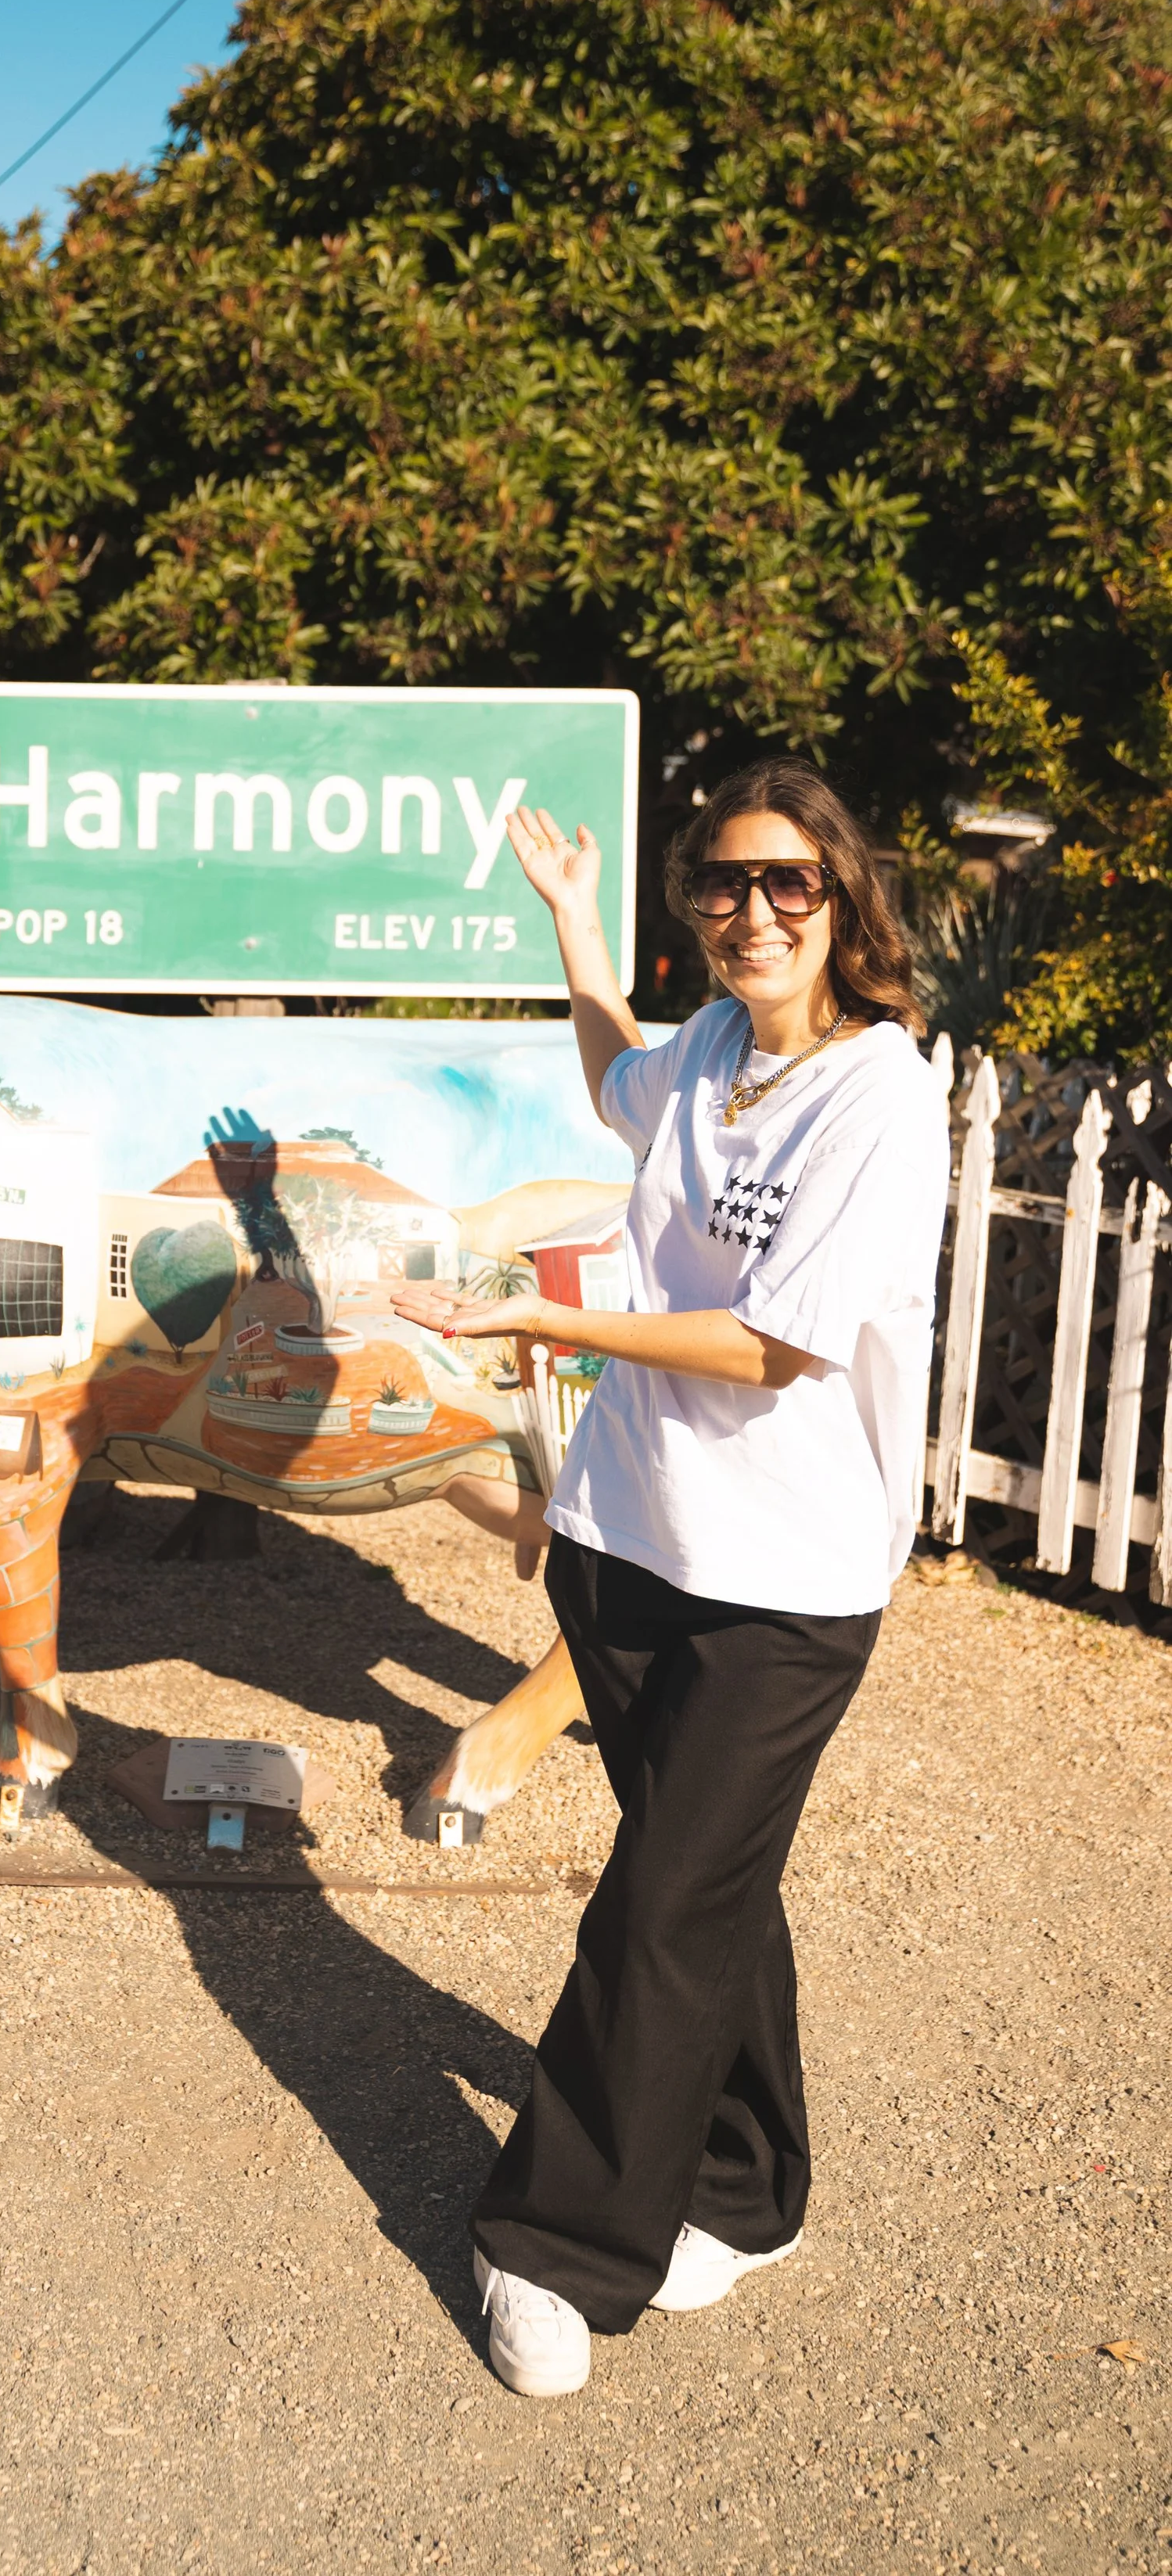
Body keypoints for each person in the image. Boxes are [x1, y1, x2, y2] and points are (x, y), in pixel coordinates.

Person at [390, 756, 947, 2400]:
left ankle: (548, 2247)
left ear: (840, 899)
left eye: (786, 882)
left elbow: (768, 1344)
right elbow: (615, 1080)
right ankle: (747, 2185)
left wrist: (541, 1321)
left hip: (785, 1576)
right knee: (705, 1882)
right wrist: (574, 940)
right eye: (719, 883)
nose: (750, 910)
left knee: (657, 1909)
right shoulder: (704, 1053)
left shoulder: (880, 1097)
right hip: (626, 1538)